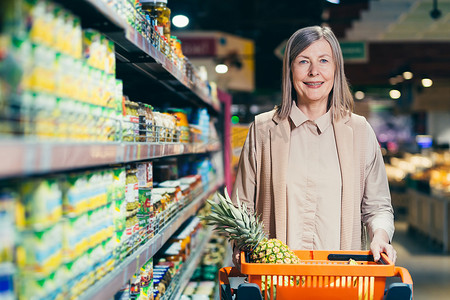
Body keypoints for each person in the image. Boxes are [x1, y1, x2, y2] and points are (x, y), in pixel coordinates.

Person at [231, 25, 396, 267]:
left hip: (341, 278)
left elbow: (378, 207)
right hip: (275, 278)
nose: (314, 72)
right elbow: (241, 205)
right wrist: (240, 245)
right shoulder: (263, 129)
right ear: (290, 70)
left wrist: (380, 236)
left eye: (323, 61)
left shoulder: (359, 131)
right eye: (303, 61)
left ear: (336, 69)